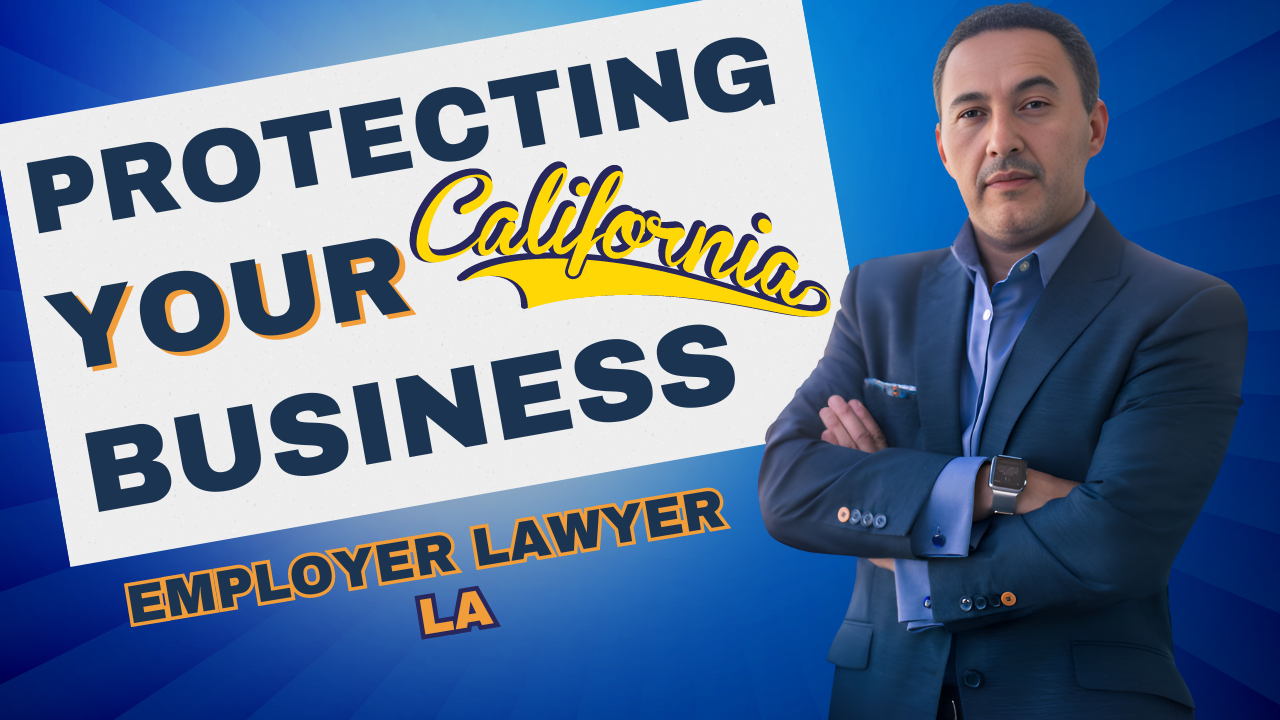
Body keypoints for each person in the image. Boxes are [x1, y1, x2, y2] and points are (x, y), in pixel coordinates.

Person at [757, 4, 1248, 719]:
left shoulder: (1182, 308)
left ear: (1094, 127)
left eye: (1035, 104)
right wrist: (994, 486)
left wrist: (907, 546)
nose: (1001, 139)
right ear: (942, 146)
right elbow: (789, 486)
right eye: (971, 114)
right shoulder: (878, 293)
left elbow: (1118, 541)